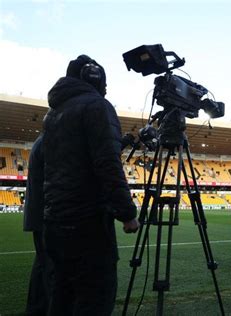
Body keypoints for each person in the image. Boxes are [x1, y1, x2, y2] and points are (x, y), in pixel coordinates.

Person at [42, 55, 139, 315]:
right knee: (95, 299)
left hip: (55, 221)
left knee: (62, 296)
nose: (106, 88)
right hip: (88, 224)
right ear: (93, 77)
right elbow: (107, 163)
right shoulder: (97, 105)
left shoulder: (52, 113)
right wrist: (127, 213)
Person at [23, 134, 53, 316]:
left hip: (40, 215)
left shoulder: (42, 140)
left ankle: (36, 310)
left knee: (42, 267)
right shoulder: (50, 141)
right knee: (51, 271)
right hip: (47, 217)